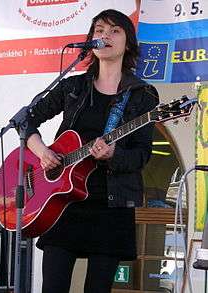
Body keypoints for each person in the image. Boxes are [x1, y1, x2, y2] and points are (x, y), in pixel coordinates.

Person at [26, 9, 159, 293]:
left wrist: (113, 155)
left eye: (114, 31)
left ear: (128, 42)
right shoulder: (73, 87)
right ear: (90, 40)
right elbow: (25, 121)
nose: (105, 36)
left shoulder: (142, 95)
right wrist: (42, 153)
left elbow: (141, 155)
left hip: (109, 206)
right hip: (62, 204)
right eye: (99, 30)